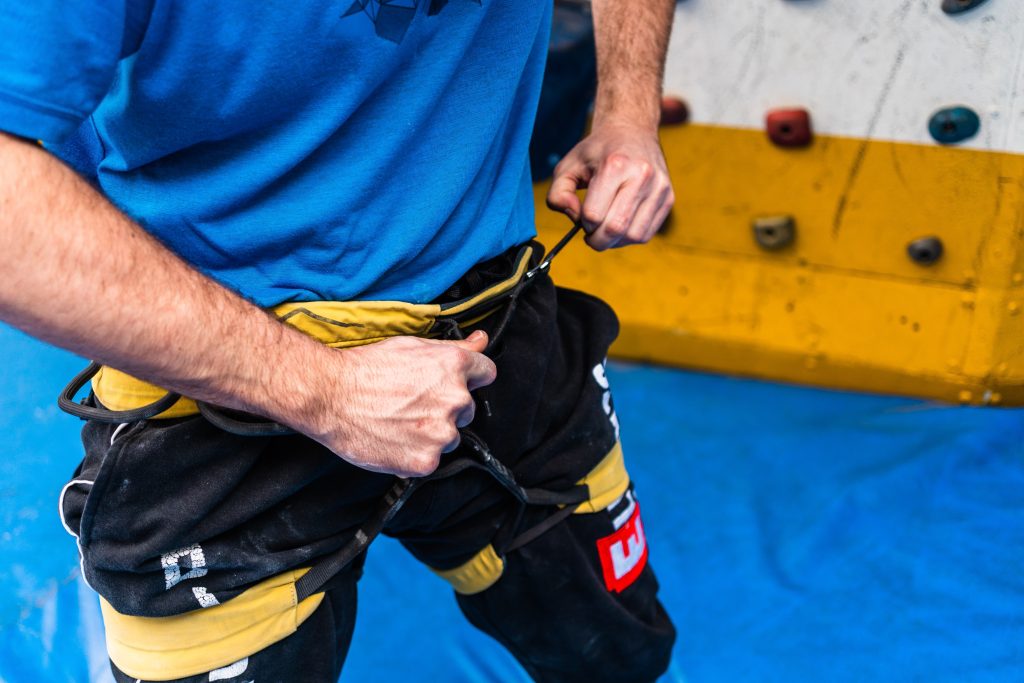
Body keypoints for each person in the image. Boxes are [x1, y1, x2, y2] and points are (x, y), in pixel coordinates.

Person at [0, 1, 677, 681]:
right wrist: (327, 391)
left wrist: (628, 108)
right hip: (212, 377)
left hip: (493, 321)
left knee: (619, 653)